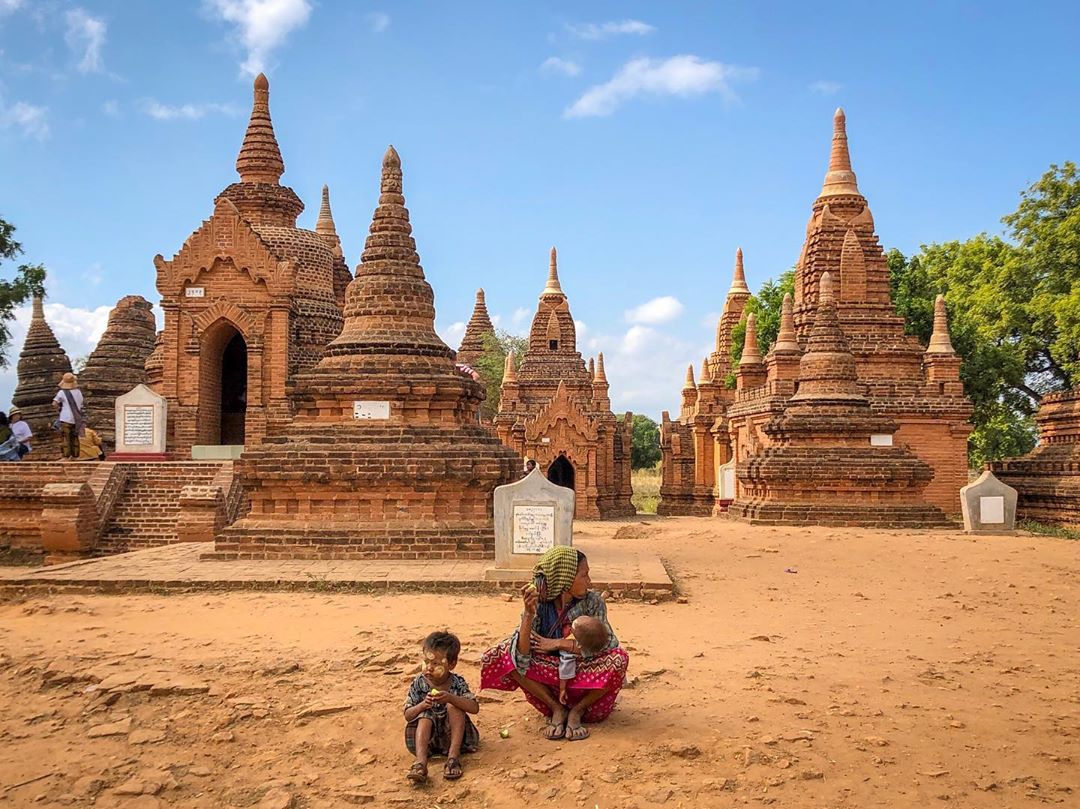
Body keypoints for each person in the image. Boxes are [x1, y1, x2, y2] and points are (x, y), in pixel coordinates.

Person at [480, 547, 628, 741]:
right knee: (505, 653)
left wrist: (558, 644)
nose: (589, 581)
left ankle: (577, 710)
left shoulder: (593, 602)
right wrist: (528, 614)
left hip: (584, 677)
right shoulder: (540, 605)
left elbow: (607, 644)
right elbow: (523, 652)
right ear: (565, 579)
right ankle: (555, 707)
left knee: (619, 658)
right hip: (549, 680)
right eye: (584, 575)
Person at [403, 630, 480, 784]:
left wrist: (451, 698)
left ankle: (453, 758)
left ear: (451, 664)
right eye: (426, 661)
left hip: (453, 736)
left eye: (436, 663)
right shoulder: (419, 682)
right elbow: (408, 714)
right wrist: (423, 705)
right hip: (429, 741)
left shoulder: (457, 682)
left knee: (454, 707)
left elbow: (474, 707)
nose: (429, 668)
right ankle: (420, 763)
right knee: (425, 715)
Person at [558, 615, 609, 707]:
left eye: (572, 629)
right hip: (595, 681)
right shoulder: (600, 651)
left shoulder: (568, 650)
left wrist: (562, 688)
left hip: (576, 683)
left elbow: (565, 668)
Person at [52, 372, 85, 460]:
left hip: (65, 418)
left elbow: (54, 403)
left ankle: (66, 456)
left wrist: (59, 409)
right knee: (75, 437)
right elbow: (81, 405)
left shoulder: (62, 392)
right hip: (77, 418)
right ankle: (75, 455)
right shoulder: (78, 392)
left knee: (66, 437)